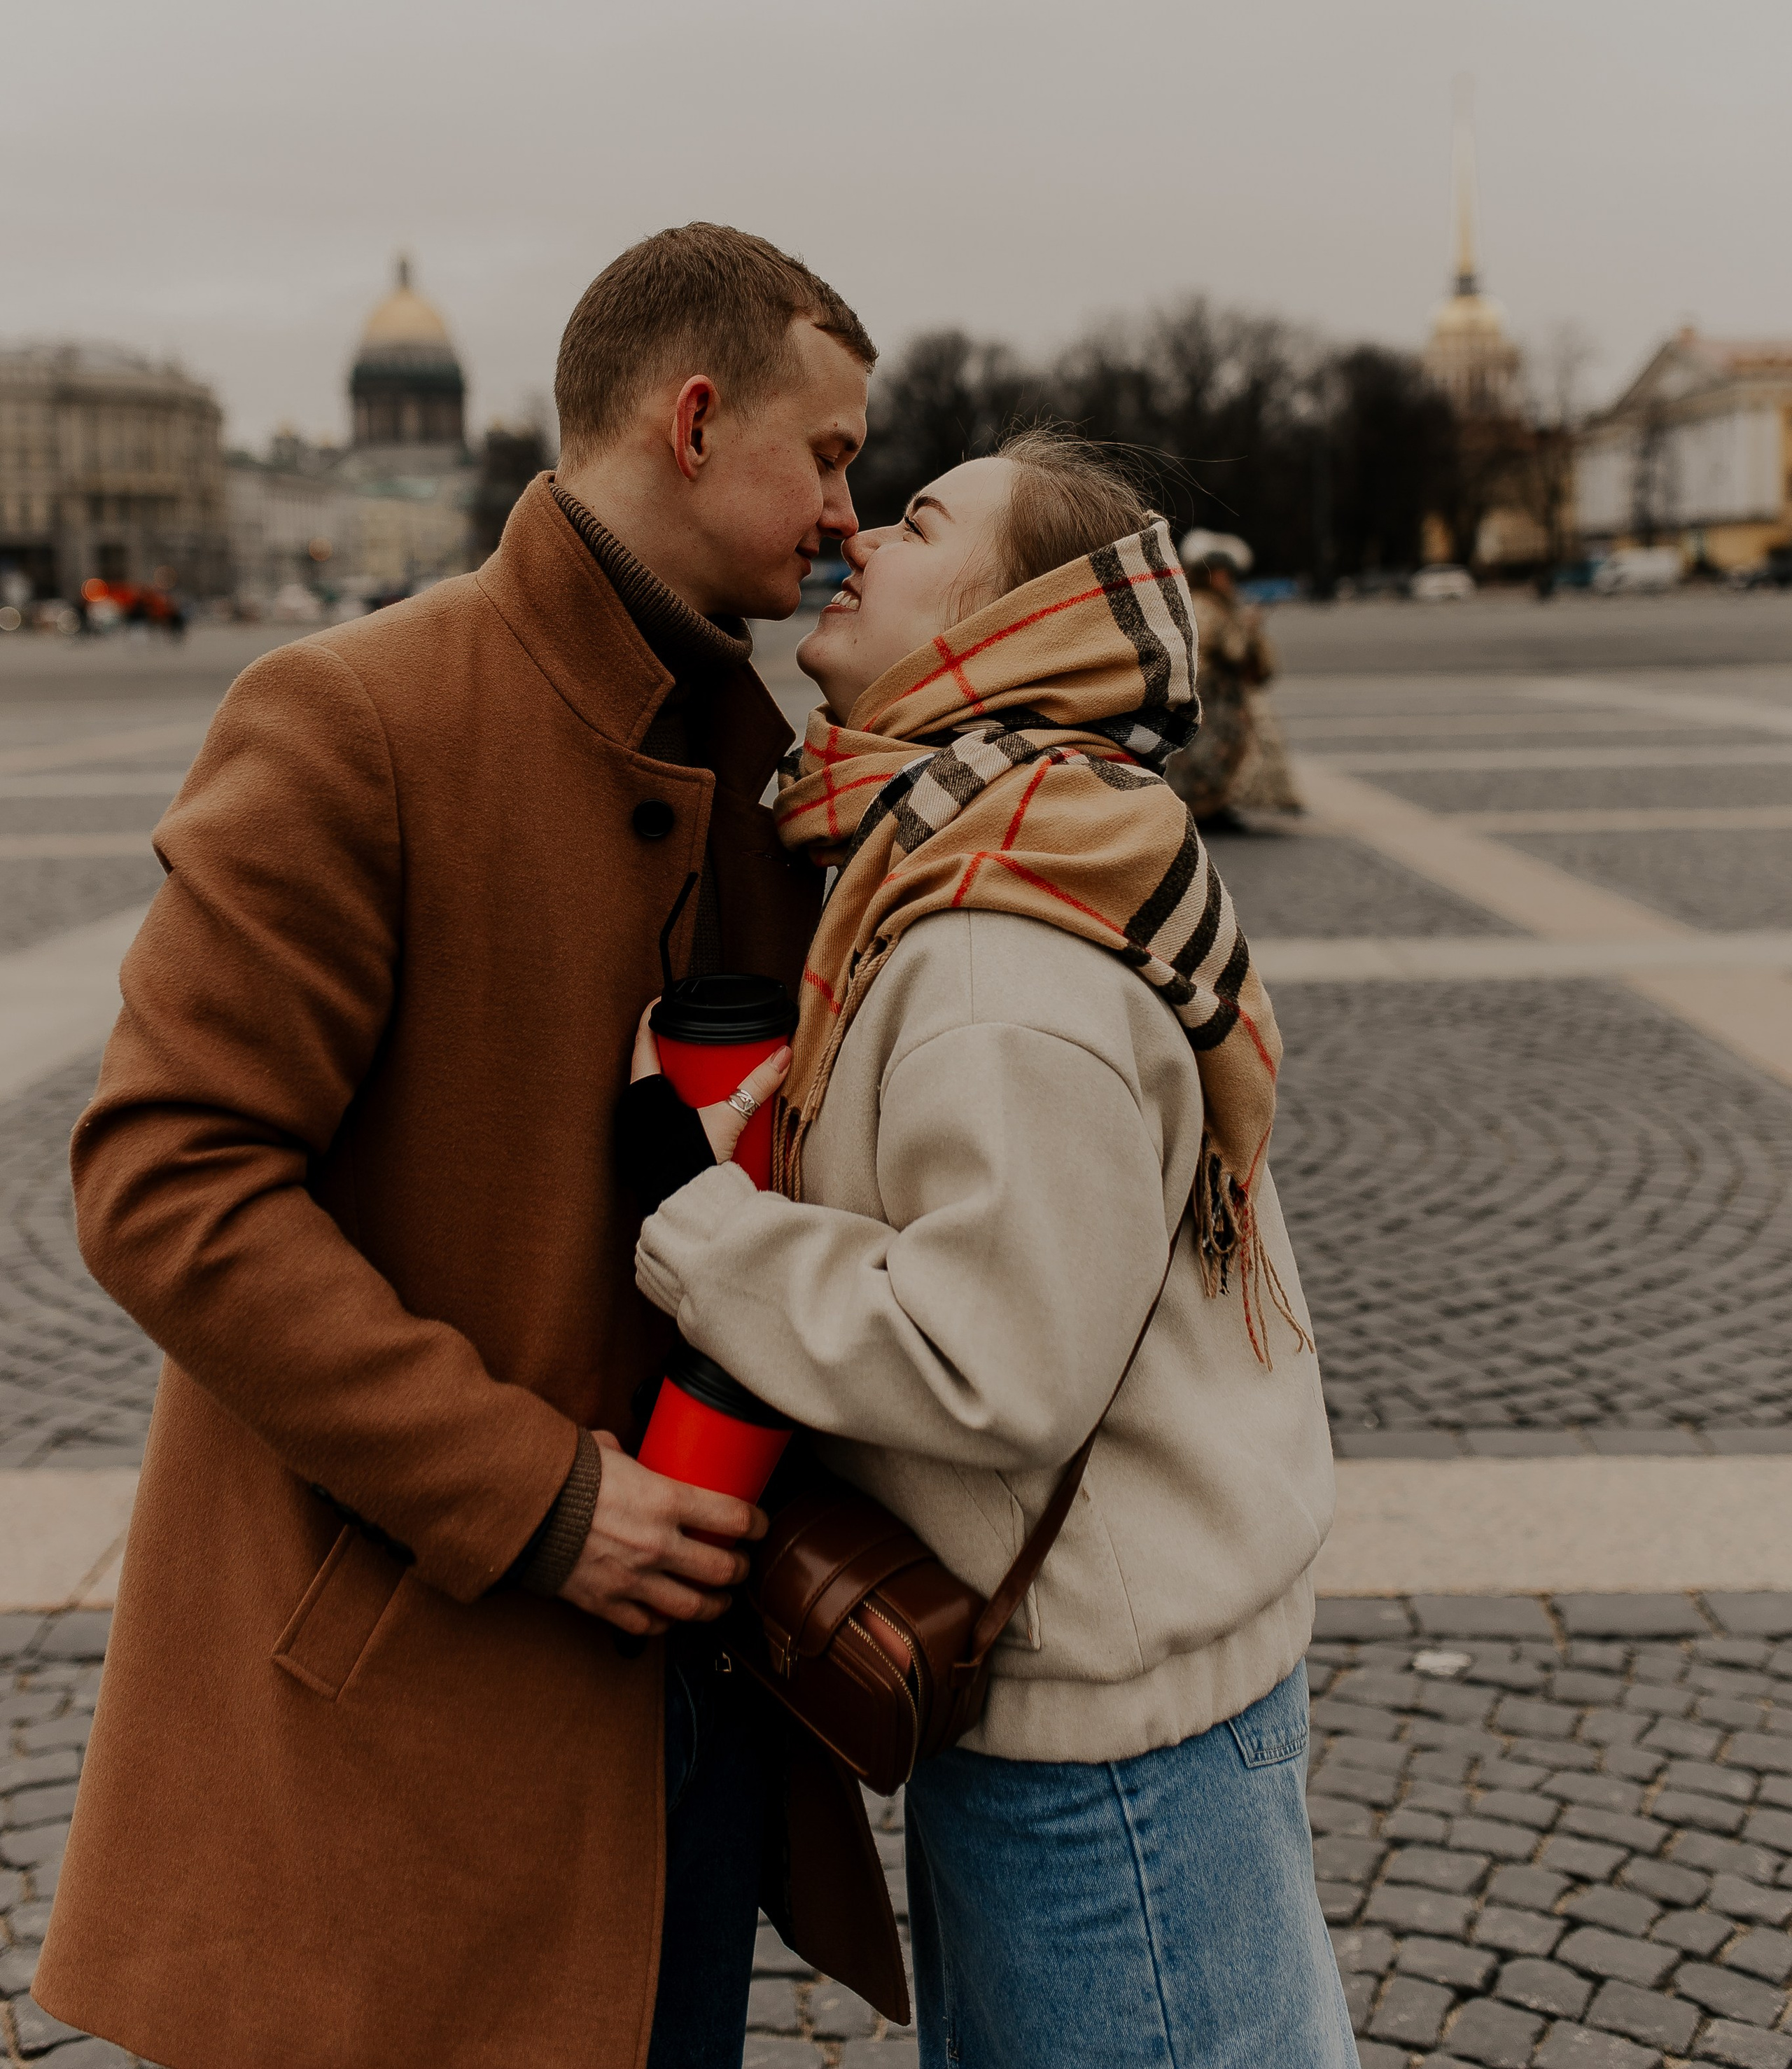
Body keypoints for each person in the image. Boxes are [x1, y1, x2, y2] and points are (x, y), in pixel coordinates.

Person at [36, 225, 907, 2069]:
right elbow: (164, 1187)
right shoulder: (359, 714)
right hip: (415, 1707)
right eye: (828, 455)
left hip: (686, 1705)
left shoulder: (763, 754)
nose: (853, 508)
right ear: (692, 419)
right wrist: (535, 1496)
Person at [631, 429, 1350, 2069]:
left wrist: (695, 1222)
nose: (859, 533)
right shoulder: (975, 844)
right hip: (1093, 1687)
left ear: (1007, 623)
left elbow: (992, 1347)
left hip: (1106, 1744)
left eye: (920, 520)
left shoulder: (983, 930)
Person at [1166, 529, 1298, 830]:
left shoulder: (1210, 604)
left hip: (1219, 699)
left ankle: (1216, 806)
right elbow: (1233, 650)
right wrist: (1248, 627)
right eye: (1222, 574)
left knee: (1216, 757)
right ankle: (1206, 809)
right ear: (1208, 575)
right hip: (1208, 699)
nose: (1228, 581)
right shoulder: (1205, 606)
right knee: (1207, 757)